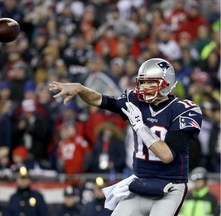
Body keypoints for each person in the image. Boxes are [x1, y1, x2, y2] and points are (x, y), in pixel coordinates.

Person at [49, 58, 203, 216]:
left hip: (170, 187)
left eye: (151, 82)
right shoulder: (135, 100)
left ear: (166, 83)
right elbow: (100, 100)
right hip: (140, 184)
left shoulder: (184, 110)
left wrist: (140, 127)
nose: (144, 87)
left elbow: (167, 155)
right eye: (142, 82)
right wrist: (81, 89)